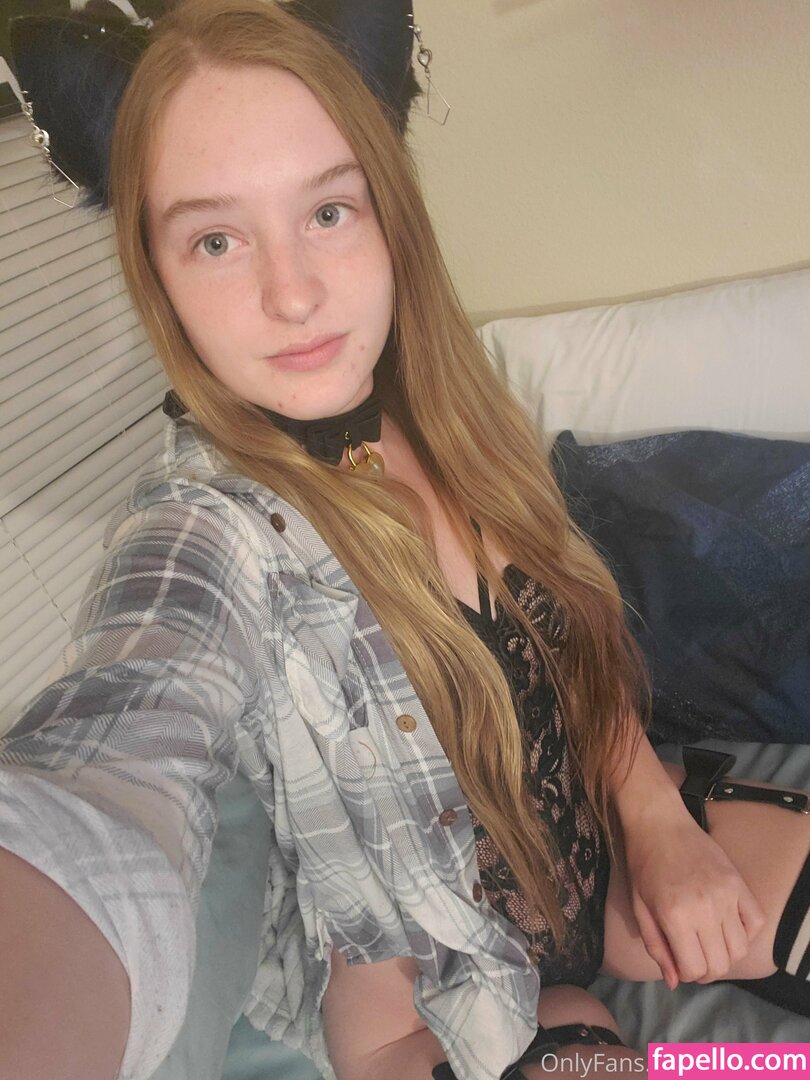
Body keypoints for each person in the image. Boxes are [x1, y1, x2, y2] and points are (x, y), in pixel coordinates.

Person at [1, 2, 808, 1079]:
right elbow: (119, 733)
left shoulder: (451, 407)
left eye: (328, 212)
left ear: (387, 215)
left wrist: (657, 820)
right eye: (216, 239)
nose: (293, 294)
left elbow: (570, 646)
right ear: (158, 275)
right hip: (450, 1009)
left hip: (614, 850)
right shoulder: (211, 531)